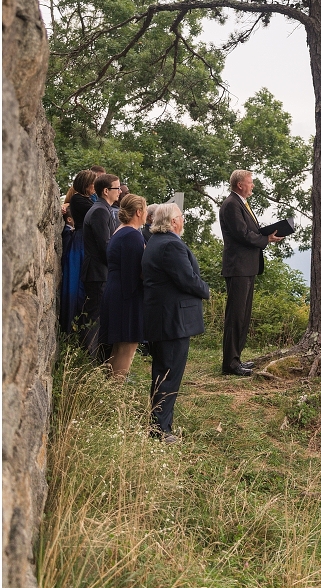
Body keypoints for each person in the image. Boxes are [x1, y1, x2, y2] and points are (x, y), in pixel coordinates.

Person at [141, 202, 210, 443]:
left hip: (163, 317)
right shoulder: (170, 245)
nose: (183, 221)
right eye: (181, 217)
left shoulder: (156, 242)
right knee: (168, 373)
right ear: (172, 222)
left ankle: (160, 423)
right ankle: (160, 429)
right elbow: (187, 279)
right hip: (171, 319)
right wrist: (205, 289)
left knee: (163, 371)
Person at [219, 169, 283, 377]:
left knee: (243, 315)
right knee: (236, 316)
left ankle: (236, 359)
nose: (253, 185)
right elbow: (242, 234)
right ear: (240, 185)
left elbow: (250, 231)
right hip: (238, 266)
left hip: (247, 266)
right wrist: (266, 240)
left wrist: (268, 233)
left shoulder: (242, 204)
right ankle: (229, 363)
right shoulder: (231, 205)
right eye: (250, 182)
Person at [99, 193, 147, 379]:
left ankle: (108, 393)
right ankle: (115, 393)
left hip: (116, 291)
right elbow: (138, 271)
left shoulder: (119, 231)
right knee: (127, 347)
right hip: (128, 295)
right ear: (138, 212)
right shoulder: (133, 236)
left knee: (118, 347)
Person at [80, 173, 121, 358]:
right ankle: (89, 360)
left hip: (100, 271)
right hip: (97, 272)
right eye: (117, 188)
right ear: (106, 191)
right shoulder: (99, 211)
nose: (120, 192)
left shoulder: (104, 209)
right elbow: (105, 245)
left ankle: (98, 359)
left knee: (100, 317)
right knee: (94, 317)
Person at [60, 169, 96, 334]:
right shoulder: (78, 200)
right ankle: (71, 330)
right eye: (93, 183)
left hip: (84, 242)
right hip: (80, 245)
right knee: (76, 285)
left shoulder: (88, 199)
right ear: (87, 185)